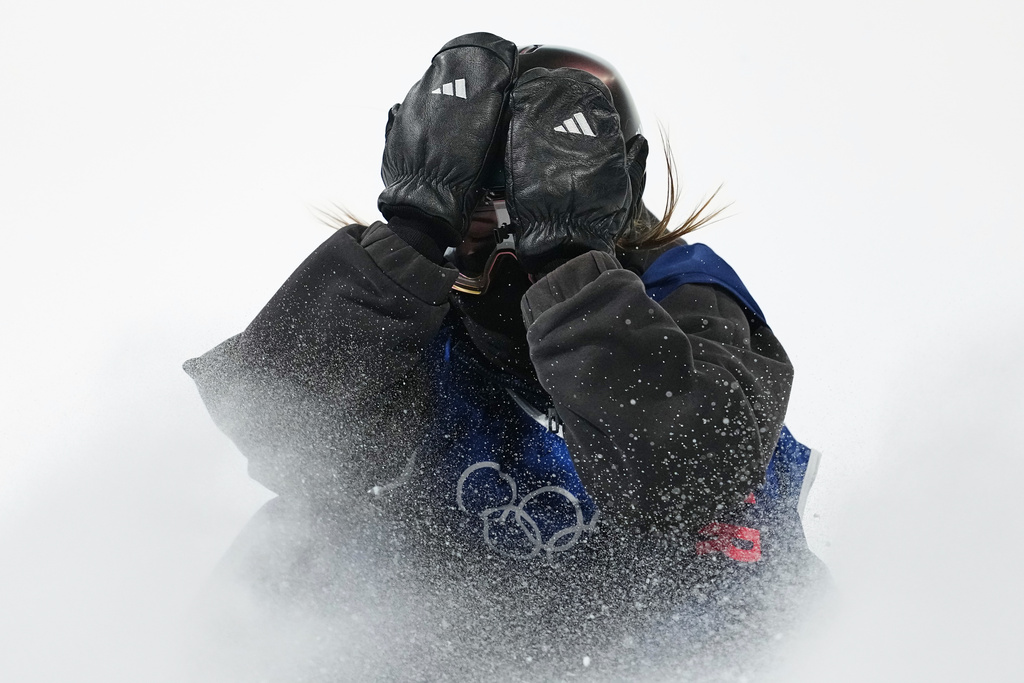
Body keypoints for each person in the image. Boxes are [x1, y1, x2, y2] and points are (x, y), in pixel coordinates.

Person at [184, 32, 827, 680]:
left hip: (659, 649)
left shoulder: (687, 298)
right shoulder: (407, 308)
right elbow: (277, 429)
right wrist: (411, 235)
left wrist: (569, 263)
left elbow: (693, 477)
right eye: (477, 224)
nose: (505, 262)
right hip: (432, 639)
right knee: (291, 541)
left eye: (531, 222)